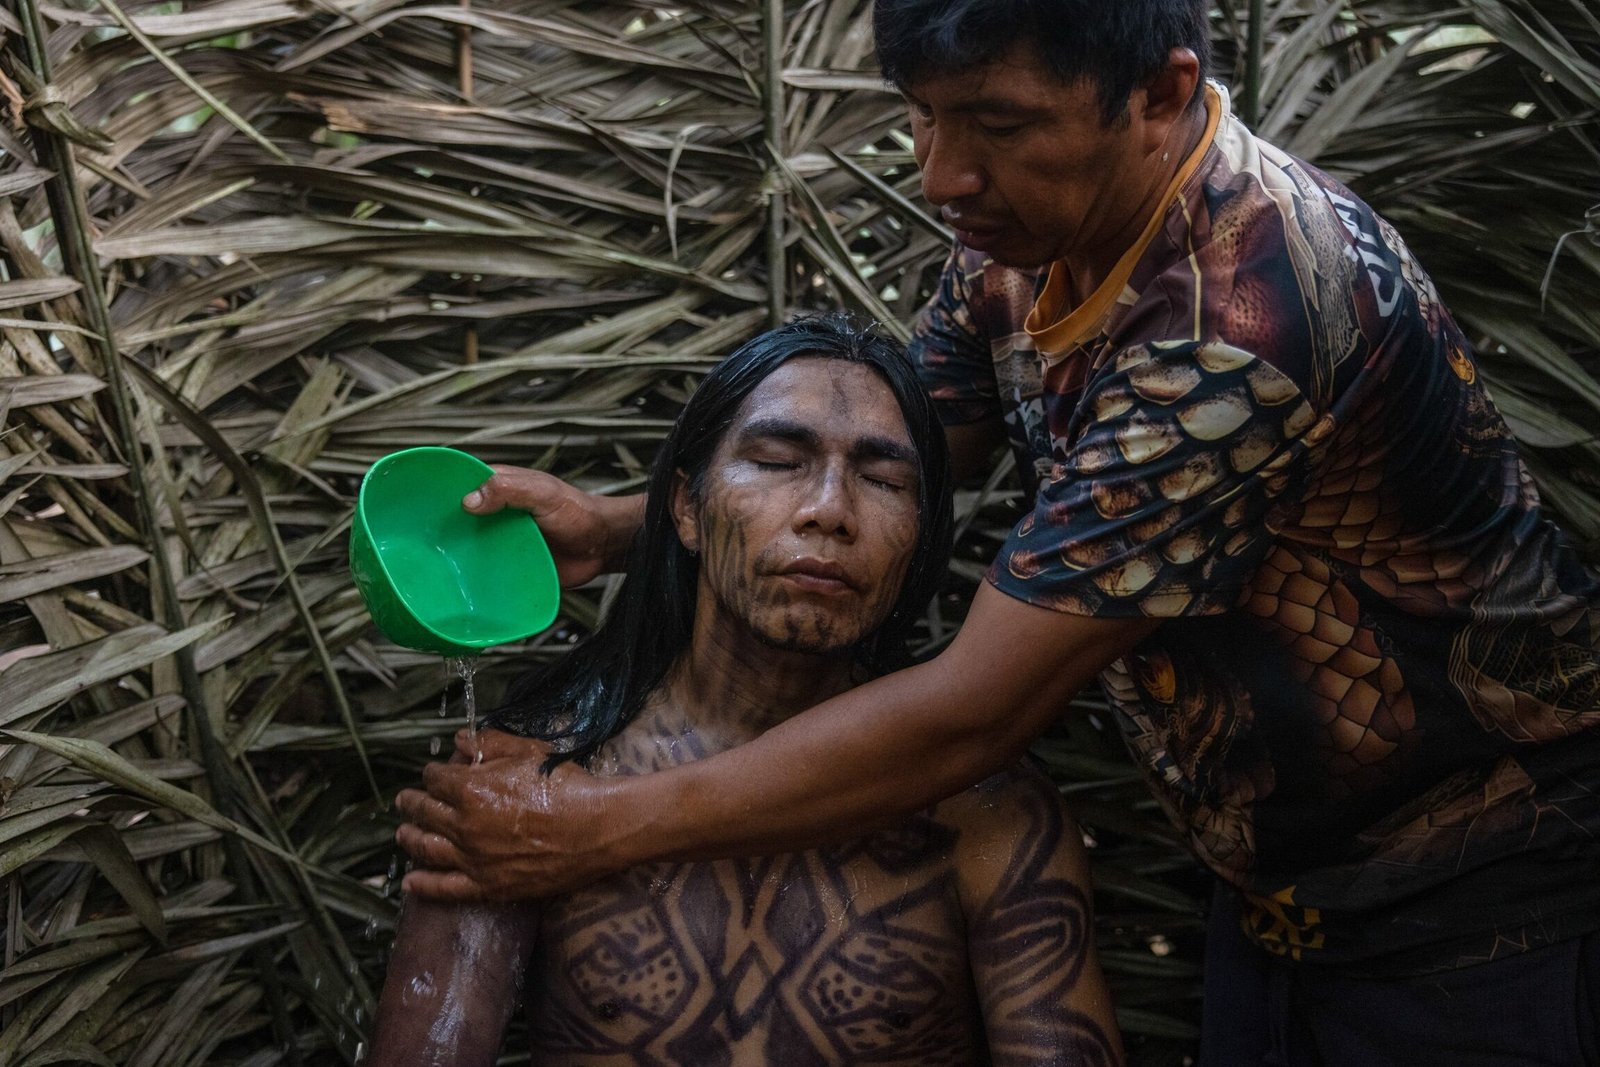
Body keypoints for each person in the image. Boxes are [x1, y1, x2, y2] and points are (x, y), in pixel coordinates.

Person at [395, 2, 1600, 1063]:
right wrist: (623, 527)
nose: (942, 175)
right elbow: (913, 441)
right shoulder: (1028, 236)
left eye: (998, 123)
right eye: (923, 117)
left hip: (1495, 907)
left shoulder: (1240, 326)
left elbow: (973, 710)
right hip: (1293, 901)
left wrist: (584, 830)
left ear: (1159, 94)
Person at [373, 317, 1122, 1066]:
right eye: (775, 462)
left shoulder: (991, 816)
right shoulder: (523, 792)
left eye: (884, 481)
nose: (830, 509)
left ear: (920, 537)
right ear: (686, 509)